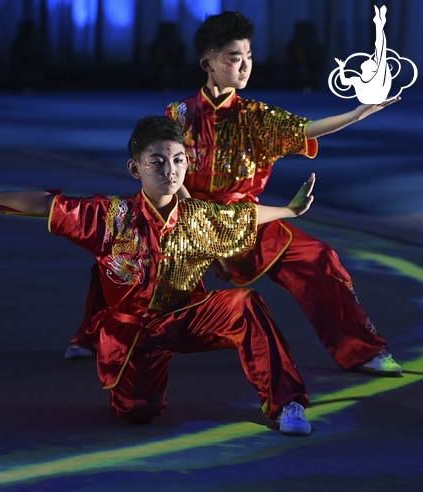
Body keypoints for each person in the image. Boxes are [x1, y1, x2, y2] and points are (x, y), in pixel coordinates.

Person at [66, 10, 402, 378]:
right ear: (207, 62)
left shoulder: (257, 116)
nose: (244, 66)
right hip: (187, 220)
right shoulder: (178, 114)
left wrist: (356, 114)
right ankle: (92, 335)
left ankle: (362, 350)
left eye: (249, 57)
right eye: (233, 57)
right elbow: (170, 178)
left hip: (247, 222)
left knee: (319, 259)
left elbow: (305, 129)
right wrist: (198, 229)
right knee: (120, 252)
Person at [0, 115, 315, 435]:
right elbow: (47, 204)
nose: (170, 171)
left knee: (245, 302)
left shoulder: (200, 215)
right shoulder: (111, 216)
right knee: (139, 411)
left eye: (179, 161)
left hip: (189, 315)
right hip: (135, 334)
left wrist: (289, 211)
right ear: (135, 168)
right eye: (158, 161)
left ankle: (287, 404)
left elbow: (246, 215)